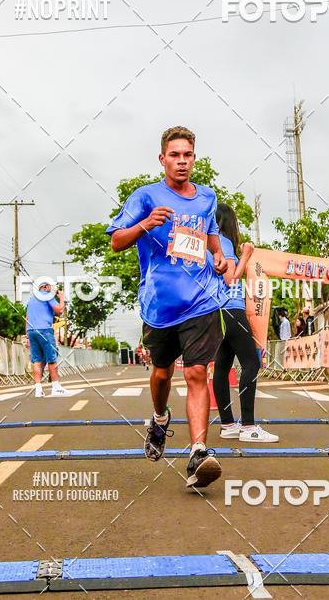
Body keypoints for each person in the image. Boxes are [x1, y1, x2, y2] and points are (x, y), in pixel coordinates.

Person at [107, 125, 228, 490]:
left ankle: (198, 452)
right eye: (174, 155)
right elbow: (115, 242)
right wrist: (145, 224)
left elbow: (211, 241)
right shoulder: (145, 197)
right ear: (162, 159)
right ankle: (159, 419)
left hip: (201, 300)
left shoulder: (207, 198)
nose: (181, 161)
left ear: (194, 158)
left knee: (195, 373)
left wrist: (219, 257)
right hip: (159, 305)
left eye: (187, 155)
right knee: (162, 374)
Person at [211, 203, 278, 443]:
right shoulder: (224, 243)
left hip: (216, 312)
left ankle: (228, 424)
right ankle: (248, 426)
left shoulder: (209, 244)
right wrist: (247, 255)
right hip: (232, 310)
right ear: (229, 223)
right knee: (251, 362)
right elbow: (231, 278)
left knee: (222, 366)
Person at [25, 280, 70, 397]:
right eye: (51, 286)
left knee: (37, 360)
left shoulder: (32, 299)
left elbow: (27, 317)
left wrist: (27, 337)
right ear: (45, 287)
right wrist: (62, 298)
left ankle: (38, 389)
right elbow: (59, 310)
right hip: (44, 330)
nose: (52, 289)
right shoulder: (47, 296)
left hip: (31, 331)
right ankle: (55, 387)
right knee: (52, 358)